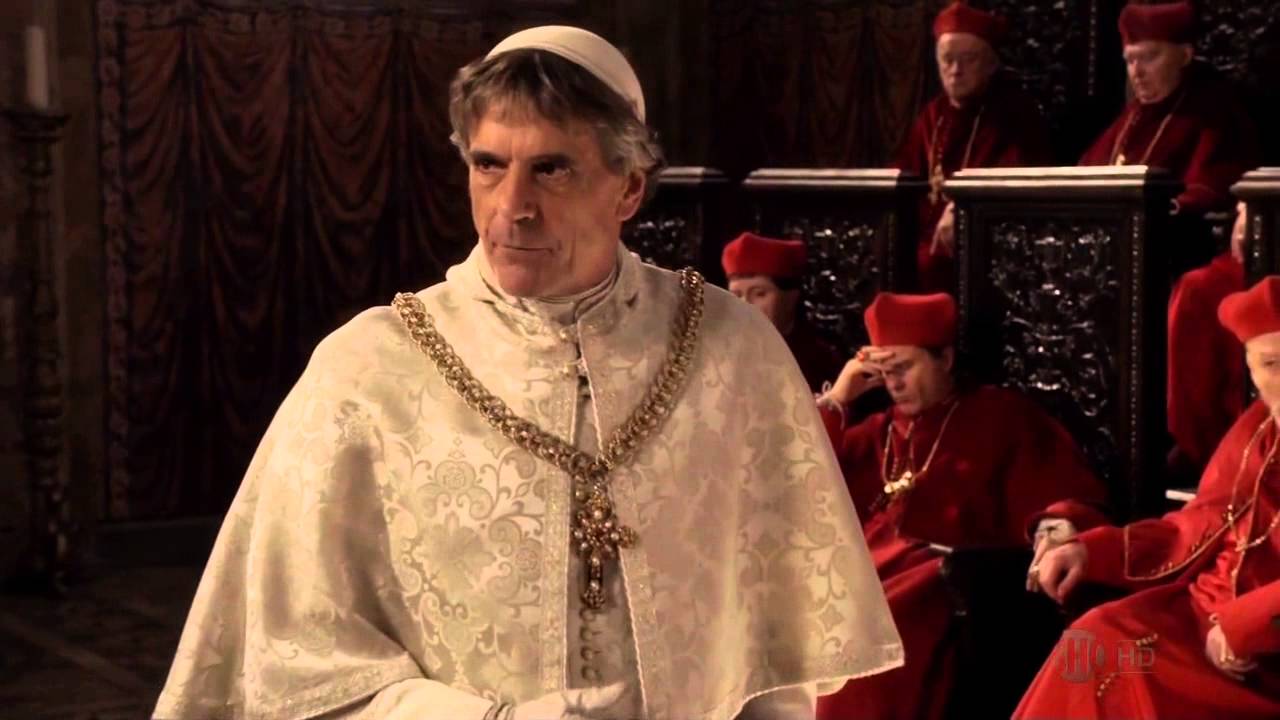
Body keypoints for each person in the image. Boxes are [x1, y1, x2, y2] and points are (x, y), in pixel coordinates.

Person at [150, 25, 903, 720]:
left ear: (629, 187)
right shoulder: (367, 371)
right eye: (488, 165)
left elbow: (777, 668)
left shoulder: (734, 353)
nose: (513, 207)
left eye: (552, 169)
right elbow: (294, 662)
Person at [811, 292, 1109, 720]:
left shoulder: (998, 415)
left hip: (942, 584)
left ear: (945, 359)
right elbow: (794, 479)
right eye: (884, 372)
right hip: (857, 574)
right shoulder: (878, 429)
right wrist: (839, 397)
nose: (894, 384)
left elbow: (1059, 493)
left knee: (857, 653)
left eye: (904, 368)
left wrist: (1057, 523)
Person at [1017, 276, 1280, 719]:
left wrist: (1246, 625)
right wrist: (1090, 550)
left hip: (1260, 646)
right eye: (1270, 364)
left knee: (1124, 665)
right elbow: (1194, 526)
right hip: (1202, 613)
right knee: (1097, 634)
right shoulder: (1258, 426)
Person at [1079, 1, 1260, 474]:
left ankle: (1179, 440)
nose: (1137, 72)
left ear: (1185, 53)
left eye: (1150, 57)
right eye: (1130, 61)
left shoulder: (1214, 109)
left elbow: (1215, 185)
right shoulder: (1131, 118)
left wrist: (1164, 207)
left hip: (1176, 249)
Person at [895, 1, 1052, 292]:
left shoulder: (1015, 113)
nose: (956, 70)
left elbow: (1019, 181)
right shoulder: (932, 116)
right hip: (925, 244)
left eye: (969, 59)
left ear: (991, 64)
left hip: (984, 248)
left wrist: (965, 209)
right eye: (947, 59)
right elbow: (902, 177)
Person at [721, 231, 844, 392]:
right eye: (736, 296)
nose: (745, 306)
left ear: (791, 297)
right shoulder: (717, 355)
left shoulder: (822, 361)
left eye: (759, 294)